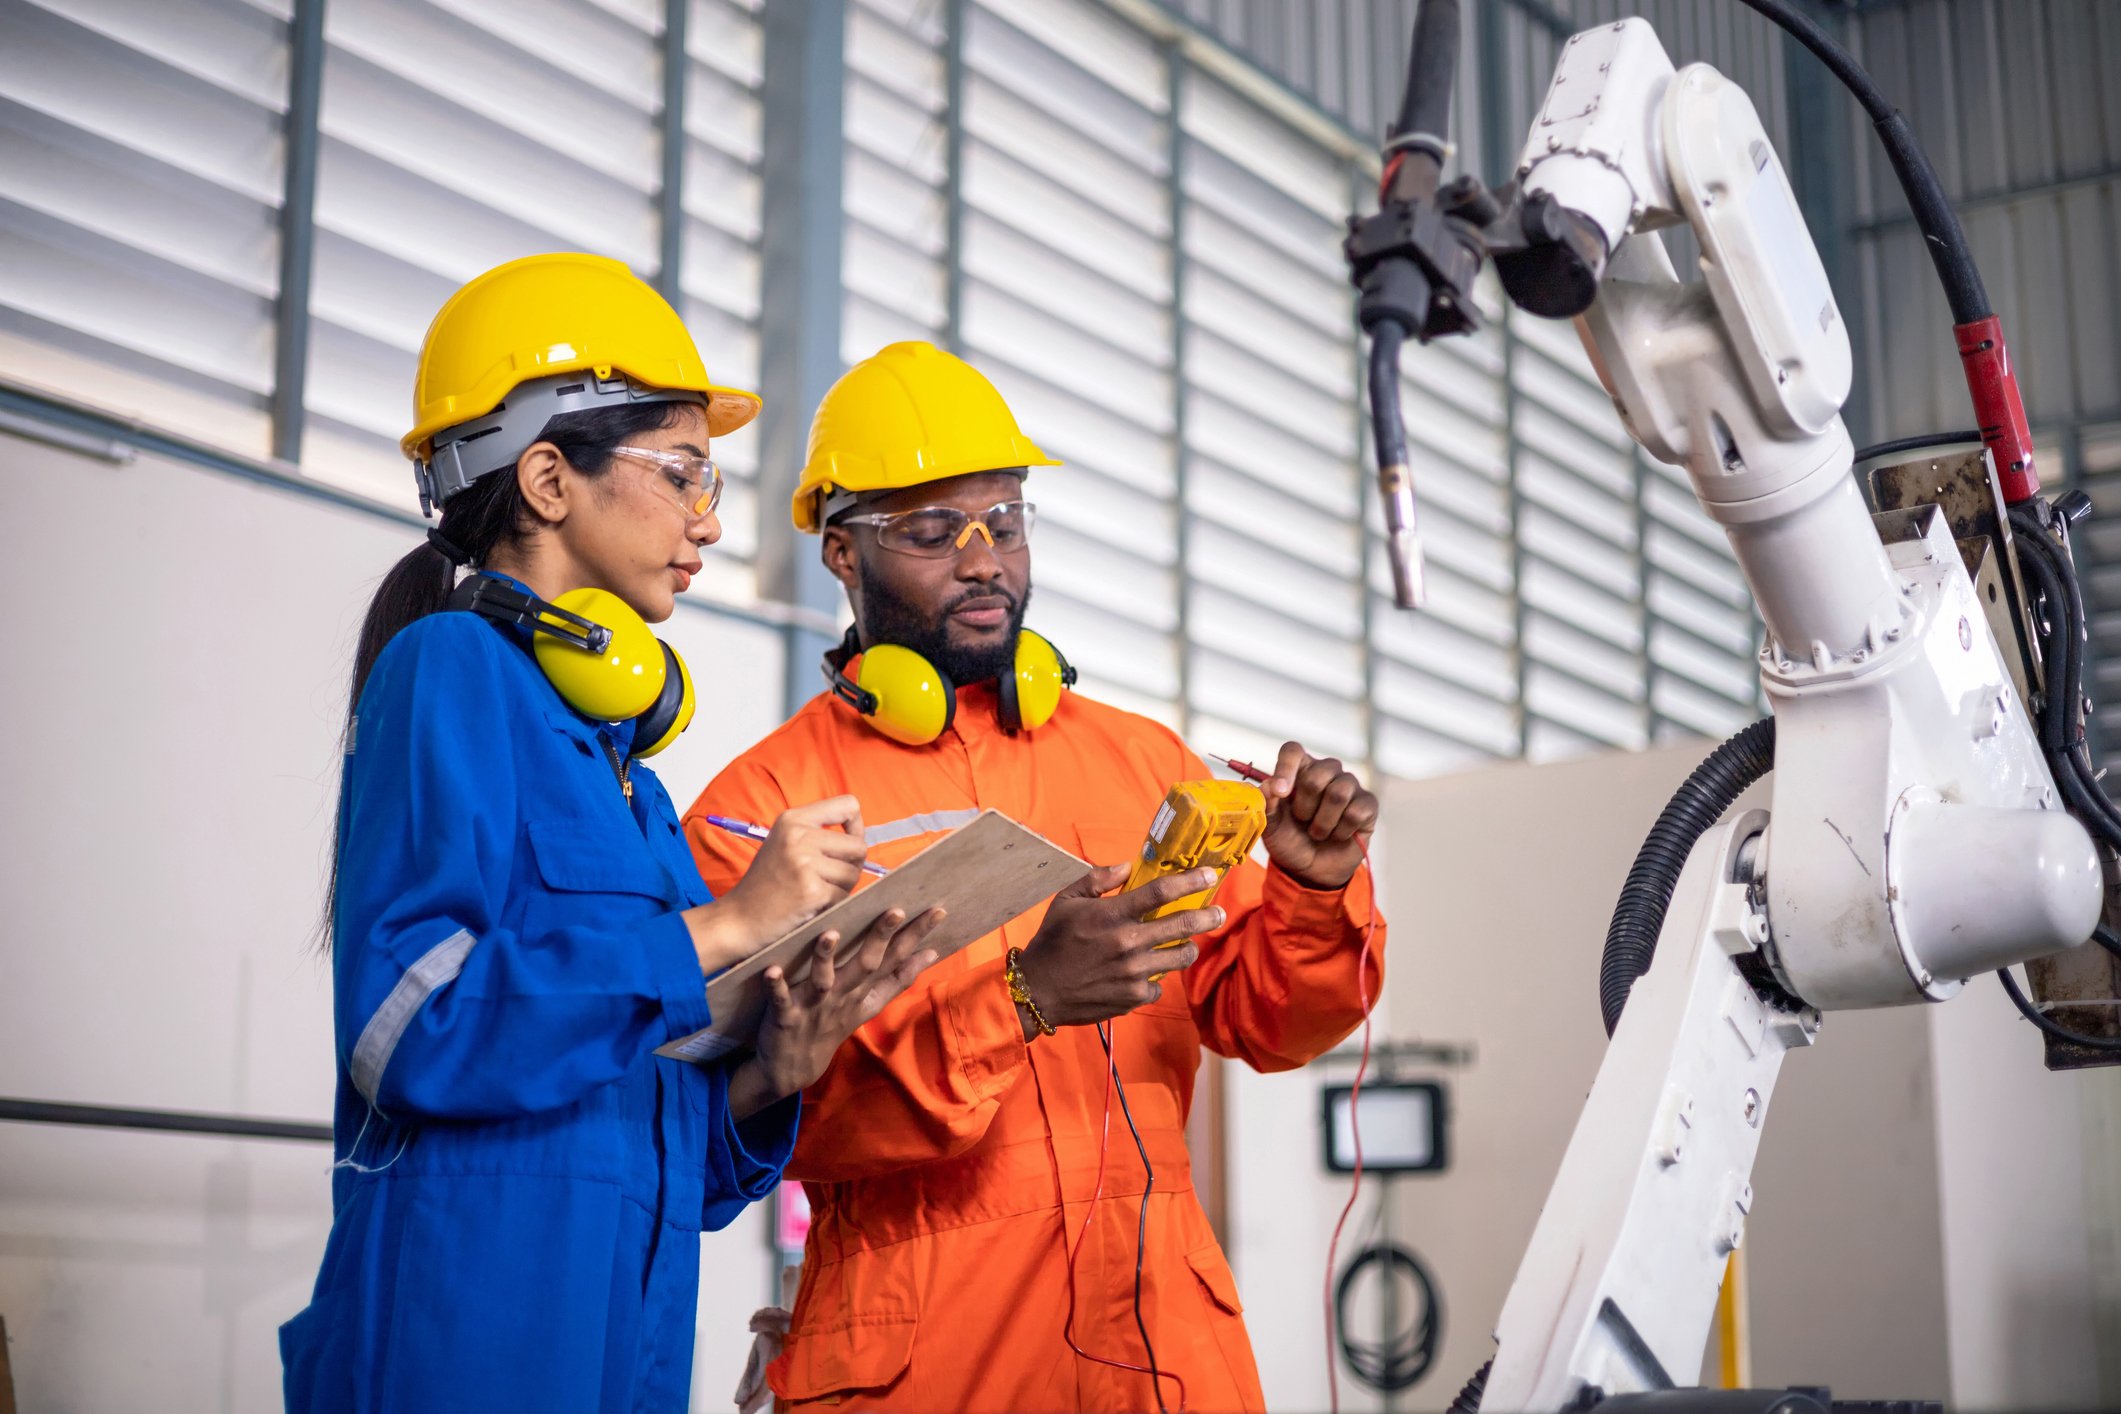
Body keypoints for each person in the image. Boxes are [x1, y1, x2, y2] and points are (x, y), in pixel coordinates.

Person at [280, 255, 941, 1414]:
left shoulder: (633, 789)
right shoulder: (450, 669)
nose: (709, 519)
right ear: (549, 478)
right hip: (462, 1341)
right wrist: (726, 925)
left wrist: (774, 1071)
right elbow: (405, 1029)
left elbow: (666, 1164)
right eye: (682, 471)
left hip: (622, 1349)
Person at [683, 340, 1388, 1412]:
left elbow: (1269, 1021)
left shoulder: (1141, 760)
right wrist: (1023, 999)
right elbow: (770, 1119)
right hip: (923, 1362)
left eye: (1004, 522)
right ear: (840, 552)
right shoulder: (762, 812)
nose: (985, 562)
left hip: (1163, 1347)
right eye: (934, 531)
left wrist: (1313, 892)